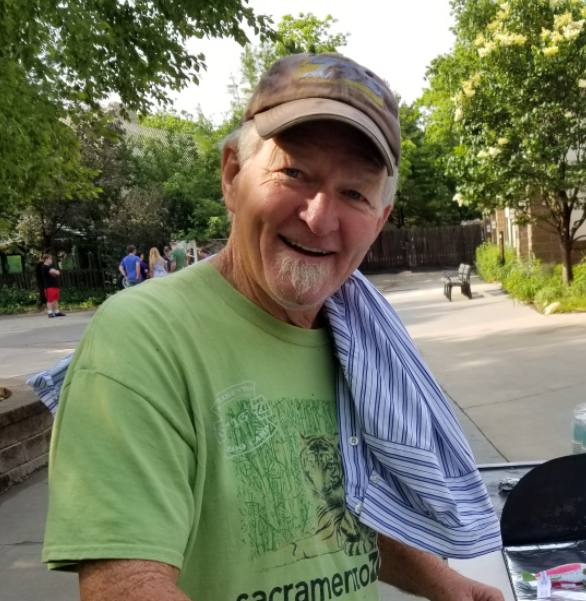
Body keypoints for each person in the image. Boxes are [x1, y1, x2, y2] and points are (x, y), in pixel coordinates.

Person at [44, 54, 504, 601]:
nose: (319, 216)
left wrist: (449, 585)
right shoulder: (145, 336)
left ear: (379, 220)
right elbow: (126, 587)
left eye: (354, 193)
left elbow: (348, 505)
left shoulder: (358, 335)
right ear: (233, 175)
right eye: (293, 172)